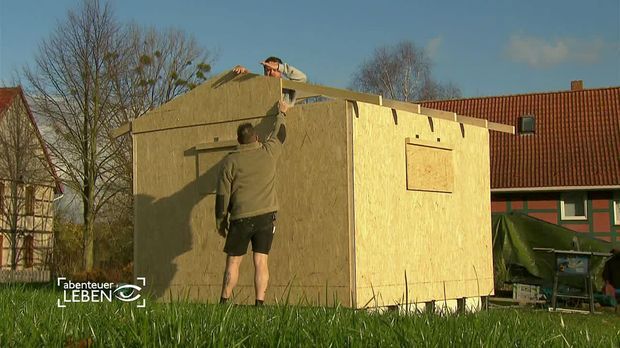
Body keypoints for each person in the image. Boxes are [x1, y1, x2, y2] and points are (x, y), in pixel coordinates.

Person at [216, 99, 289, 306]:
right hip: (266, 217)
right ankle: (259, 304)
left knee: (234, 261)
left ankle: (224, 302)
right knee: (261, 260)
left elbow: (222, 196)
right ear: (256, 137)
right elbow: (281, 134)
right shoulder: (268, 152)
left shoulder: (229, 161)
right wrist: (281, 113)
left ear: (238, 140)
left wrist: (221, 222)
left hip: (241, 218)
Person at [233, 56, 307, 105]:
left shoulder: (288, 89)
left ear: (280, 71)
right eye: (268, 70)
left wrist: (280, 67)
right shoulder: (261, 88)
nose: (271, 72)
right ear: (264, 72)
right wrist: (242, 74)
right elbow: (250, 84)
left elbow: (303, 78)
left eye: (274, 70)